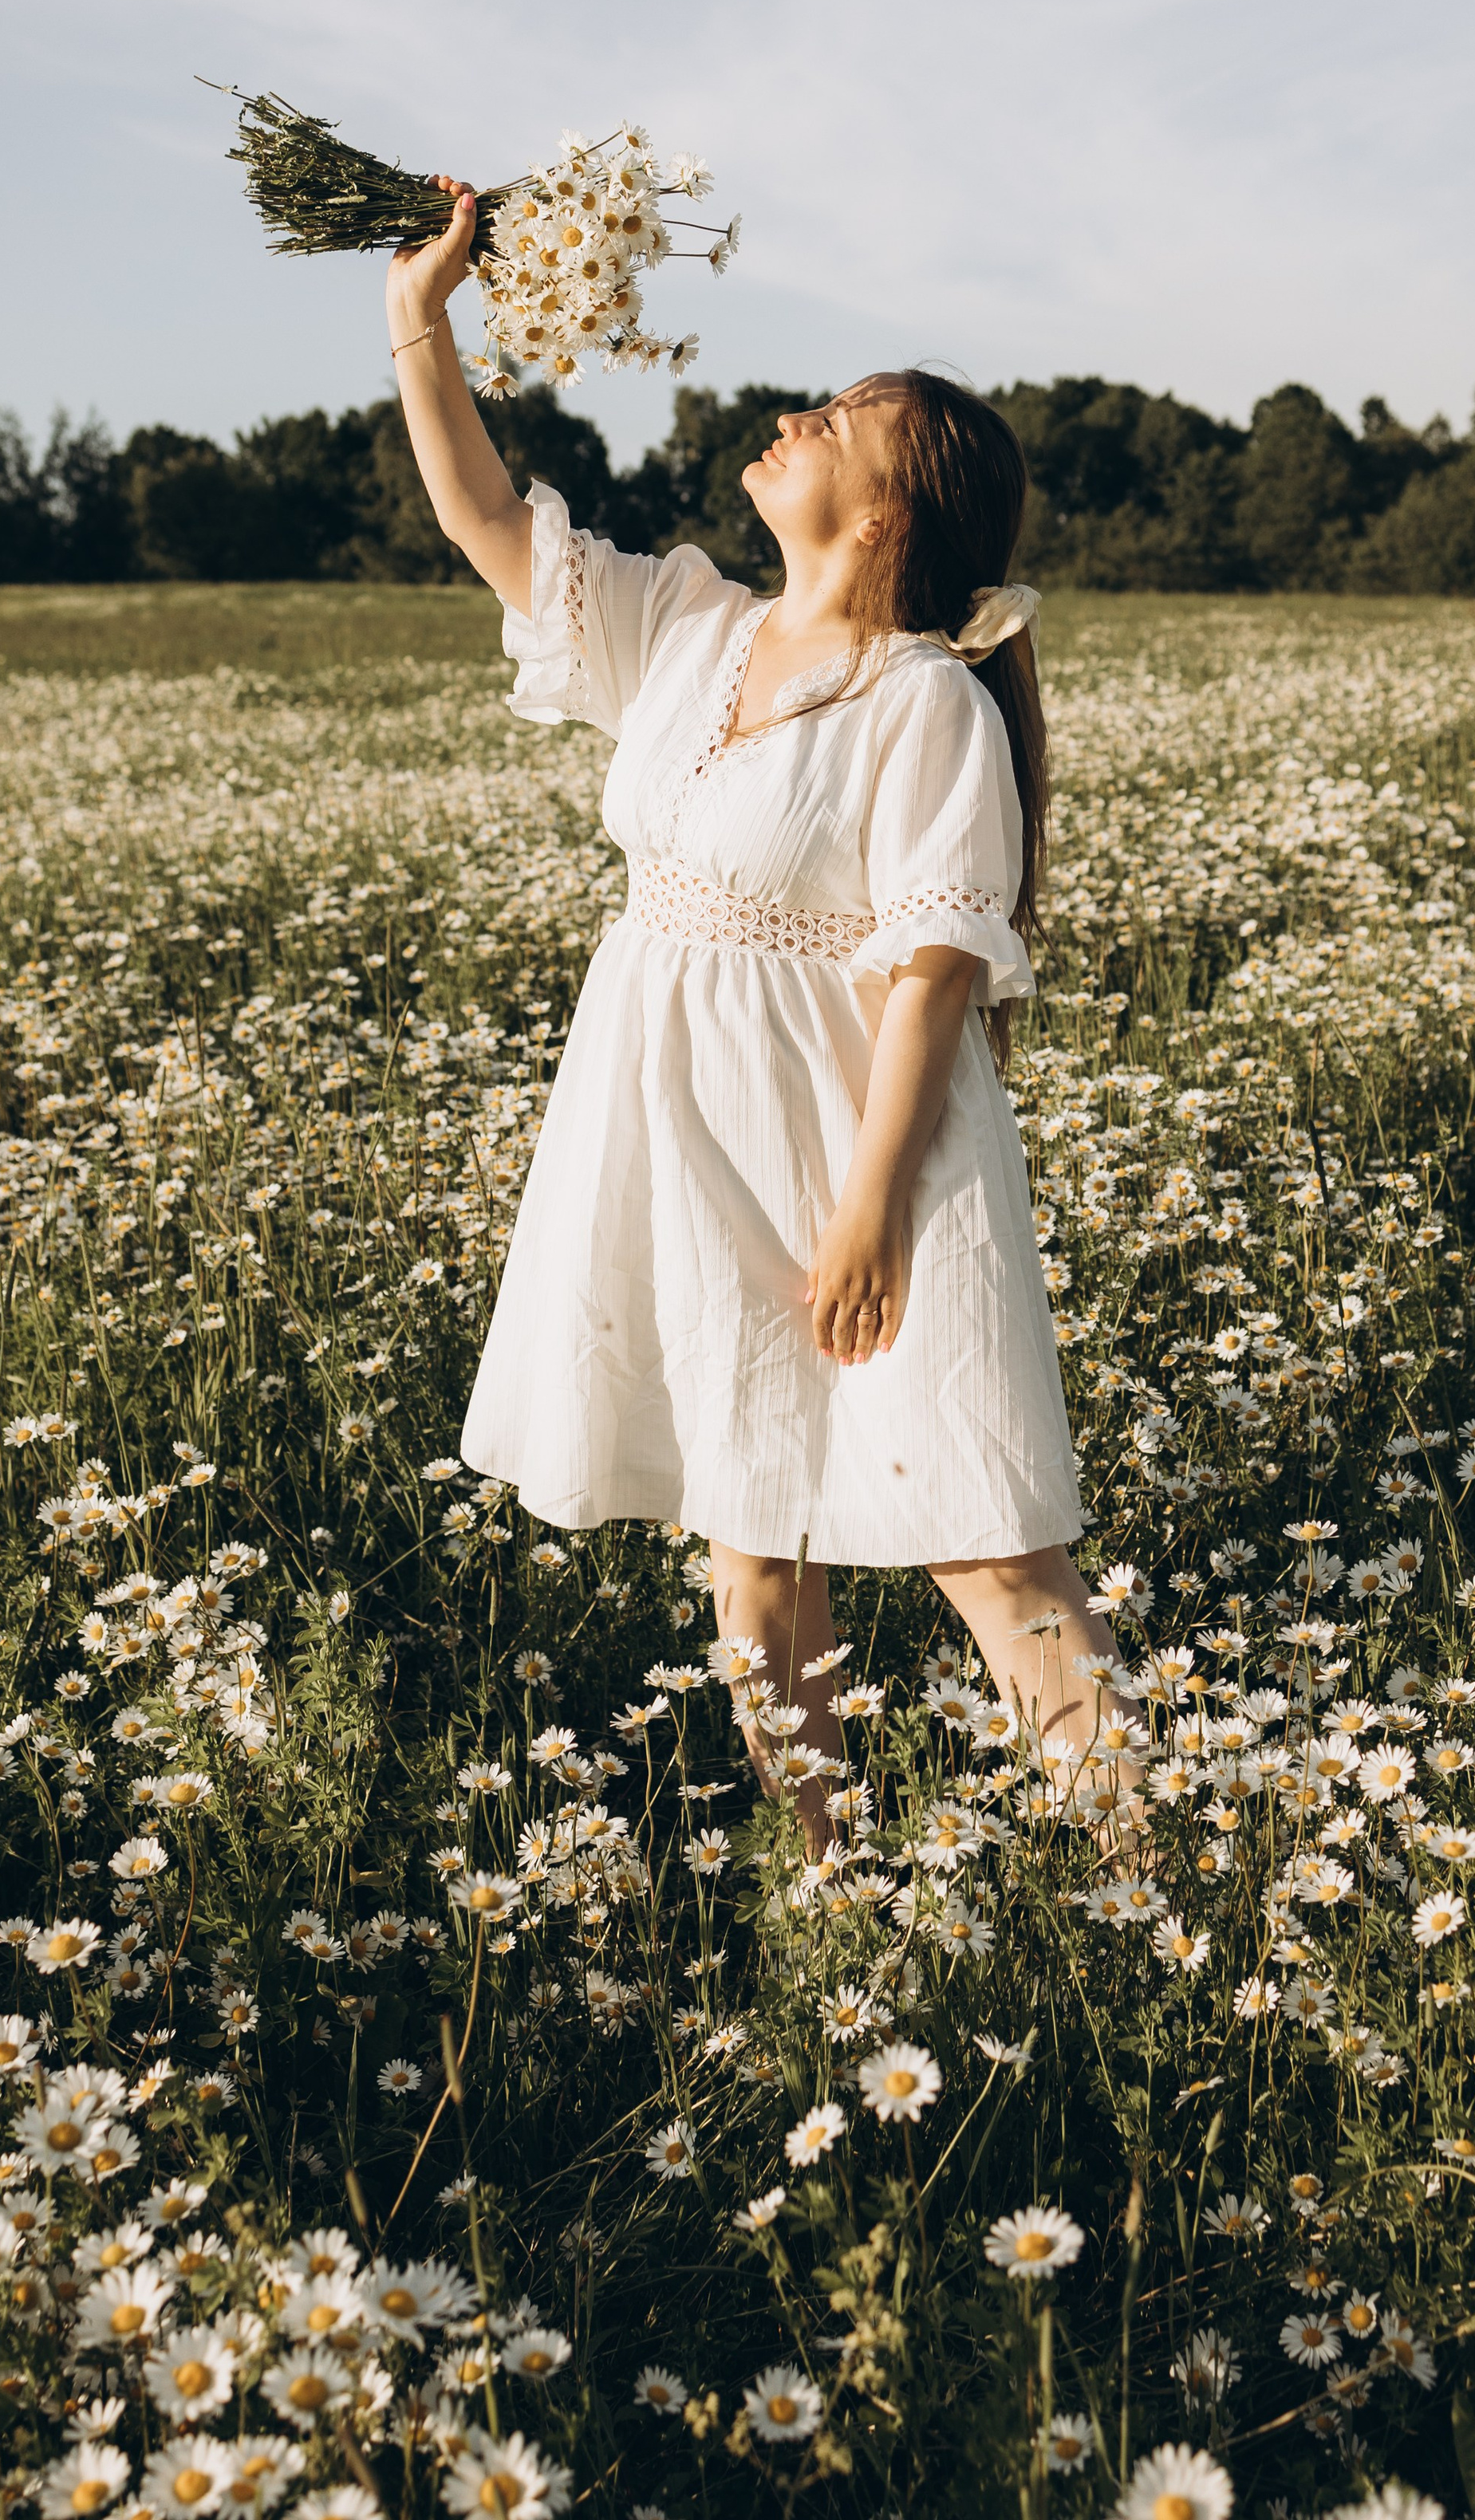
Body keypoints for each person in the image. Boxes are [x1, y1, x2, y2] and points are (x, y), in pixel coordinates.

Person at [386, 186, 1141, 1851]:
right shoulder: (683, 627)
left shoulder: (921, 699)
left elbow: (936, 963)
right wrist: (418, 320)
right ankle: (832, 1883)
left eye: (844, 418)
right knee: (748, 1525)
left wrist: (868, 1206)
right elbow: (484, 517)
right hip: (676, 1119)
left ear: (884, 515)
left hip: (865, 1138)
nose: (796, 414)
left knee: (980, 1523)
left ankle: (1154, 1888)